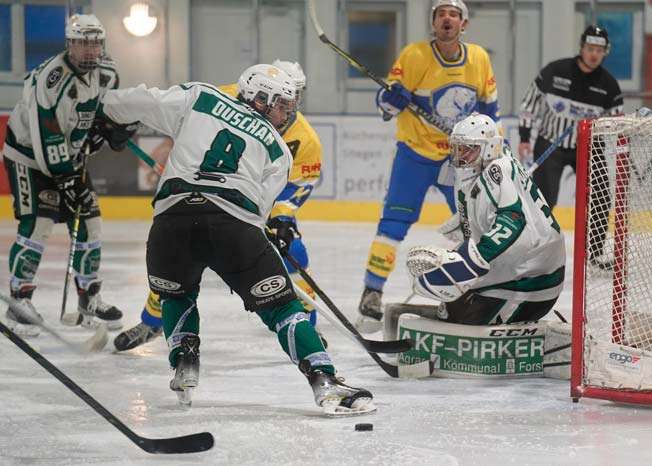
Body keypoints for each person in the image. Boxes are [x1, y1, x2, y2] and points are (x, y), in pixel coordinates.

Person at [100, 64, 374, 415]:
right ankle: (324, 380)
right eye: (282, 105)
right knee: (282, 307)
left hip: (170, 224)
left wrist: (108, 113)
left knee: (176, 295)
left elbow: (140, 100)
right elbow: (261, 208)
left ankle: (184, 361)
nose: (288, 113)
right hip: (234, 225)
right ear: (260, 99)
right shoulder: (278, 147)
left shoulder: (200, 96)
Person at [113, 60, 325, 352]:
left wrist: (282, 217)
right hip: (213, 196)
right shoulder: (228, 95)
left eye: (295, 96)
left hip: (260, 204)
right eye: (285, 97)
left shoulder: (305, 138)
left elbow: (300, 183)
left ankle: (306, 324)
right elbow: (187, 124)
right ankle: (152, 320)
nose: (289, 106)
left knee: (295, 252)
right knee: (176, 257)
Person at [356, 0, 500, 332]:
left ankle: (474, 292)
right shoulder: (415, 55)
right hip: (416, 154)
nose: (446, 18)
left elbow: (490, 112)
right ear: (433, 23)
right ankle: (372, 291)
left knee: (473, 227)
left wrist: (493, 152)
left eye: (453, 14)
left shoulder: (478, 58)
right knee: (393, 223)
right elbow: (385, 107)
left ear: (464, 24)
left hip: (461, 158)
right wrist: (392, 100)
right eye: (440, 14)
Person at [1, 14, 127, 337]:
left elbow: (104, 111)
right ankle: (18, 302)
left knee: (90, 222)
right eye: (83, 43)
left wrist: (112, 128)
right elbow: (47, 137)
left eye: (95, 43)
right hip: (29, 158)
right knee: (39, 222)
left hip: (68, 160)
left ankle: (89, 300)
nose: (90, 50)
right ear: (69, 45)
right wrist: (67, 180)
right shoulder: (51, 79)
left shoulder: (107, 73)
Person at [404, 113, 565, 325]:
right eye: (458, 148)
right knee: (450, 308)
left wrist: (472, 259)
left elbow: (512, 219)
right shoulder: (487, 167)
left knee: (463, 319)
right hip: (520, 266)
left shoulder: (497, 169)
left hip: (536, 277)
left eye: (468, 148)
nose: (460, 155)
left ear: (488, 148)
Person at [517, 25, 623, 270]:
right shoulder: (555, 71)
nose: (593, 54)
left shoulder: (609, 85)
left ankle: (595, 254)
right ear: (581, 48)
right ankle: (535, 248)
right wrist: (524, 137)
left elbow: (616, 122)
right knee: (543, 200)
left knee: (600, 197)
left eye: (599, 50)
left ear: (605, 52)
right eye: (590, 48)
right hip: (550, 143)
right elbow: (529, 104)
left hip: (589, 146)